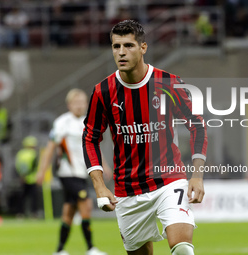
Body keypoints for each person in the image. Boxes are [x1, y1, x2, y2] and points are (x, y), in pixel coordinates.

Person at [82, 20, 208, 255]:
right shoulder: (103, 92)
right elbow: (90, 138)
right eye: (116, 46)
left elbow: (197, 127)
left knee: (182, 249)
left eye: (128, 45)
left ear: (143, 47)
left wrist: (197, 176)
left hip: (169, 180)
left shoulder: (168, 83)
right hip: (127, 190)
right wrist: (99, 186)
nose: (121, 52)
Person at [36, 89, 109, 255]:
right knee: (86, 204)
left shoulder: (88, 121)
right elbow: (50, 148)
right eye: (76, 102)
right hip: (67, 173)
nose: (80, 106)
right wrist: (42, 171)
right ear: (69, 105)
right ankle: (91, 248)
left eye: (83, 102)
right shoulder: (62, 122)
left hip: (82, 173)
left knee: (68, 212)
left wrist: (103, 165)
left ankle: (59, 250)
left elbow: (93, 146)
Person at [15, 136, 39, 218]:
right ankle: (34, 213)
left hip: (22, 178)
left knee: (22, 197)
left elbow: (18, 165)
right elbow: (33, 166)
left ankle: (20, 213)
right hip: (32, 178)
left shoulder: (20, 153)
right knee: (33, 198)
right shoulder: (33, 154)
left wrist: (21, 175)